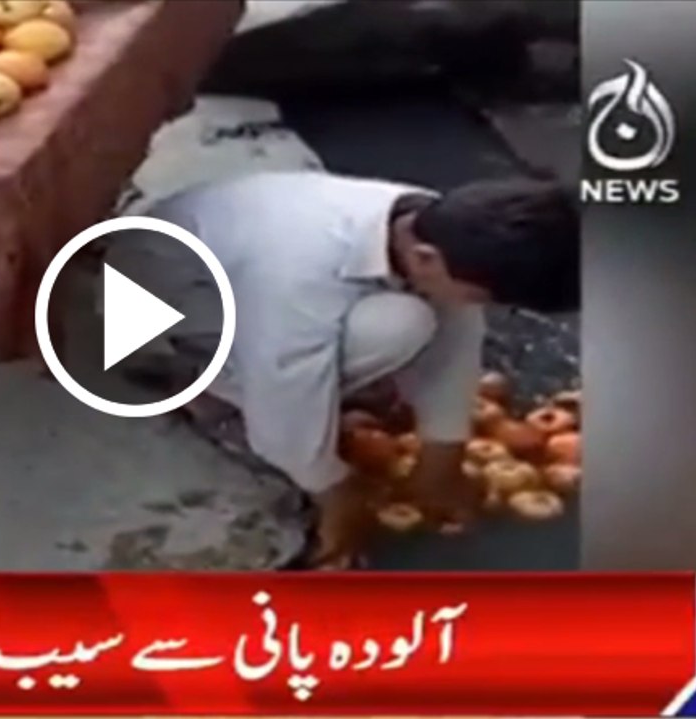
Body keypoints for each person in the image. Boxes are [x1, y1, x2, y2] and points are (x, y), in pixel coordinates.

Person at [106, 171, 580, 568]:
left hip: (236, 263)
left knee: (426, 313)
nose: (484, 309)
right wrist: (336, 488)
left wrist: (443, 452)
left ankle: (296, 386)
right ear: (425, 259)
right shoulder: (300, 275)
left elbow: (460, 327)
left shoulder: (442, 225)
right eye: (484, 296)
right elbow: (282, 405)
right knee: (397, 327)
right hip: (150, 302)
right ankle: (205, 384)